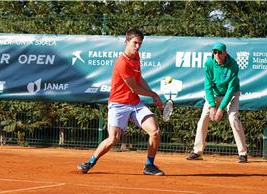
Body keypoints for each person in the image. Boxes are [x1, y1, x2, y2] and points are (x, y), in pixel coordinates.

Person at [77, 28, 165, 175]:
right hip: (118, 104)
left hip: (135, 104)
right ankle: (90, 162)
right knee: (113, 139)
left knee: (155, 131)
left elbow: (139, 79)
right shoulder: (121, 63)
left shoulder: (136, 58)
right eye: (135, 43)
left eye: (140, 44)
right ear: (127, 42)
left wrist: (153, 93)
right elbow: (134, 88)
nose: (137, 47)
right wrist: (152, 95)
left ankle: (149, 166)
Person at [186, 42, 248, 163]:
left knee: (233, 118)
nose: (217, 54)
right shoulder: (209, 63)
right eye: (215, 52)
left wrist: (221, 109)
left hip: (232, 94)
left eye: (220, 52)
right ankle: (197, 152)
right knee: (203, 119)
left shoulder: (233, 65)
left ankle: (243, 153)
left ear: (225, 53)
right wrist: (213, 106)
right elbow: (207, 86)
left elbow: (231, 89)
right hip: (214, 94)